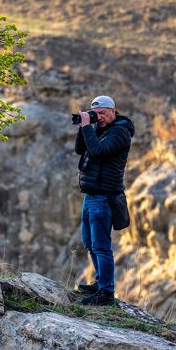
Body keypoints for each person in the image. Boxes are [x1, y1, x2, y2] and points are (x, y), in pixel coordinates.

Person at [74, 95, 135, 306]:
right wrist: (84, 126)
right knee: (89, 242)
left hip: (104, 197)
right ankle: (100, 283)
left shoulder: (120, 132)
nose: (98, 117)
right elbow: (80, 150)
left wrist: (88, 128)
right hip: (91, 195)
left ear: (113, 111)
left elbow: (98, 151)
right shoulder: (101, 129)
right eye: (95, 113)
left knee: (101, 246)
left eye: (101, 113)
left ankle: (106, 293)